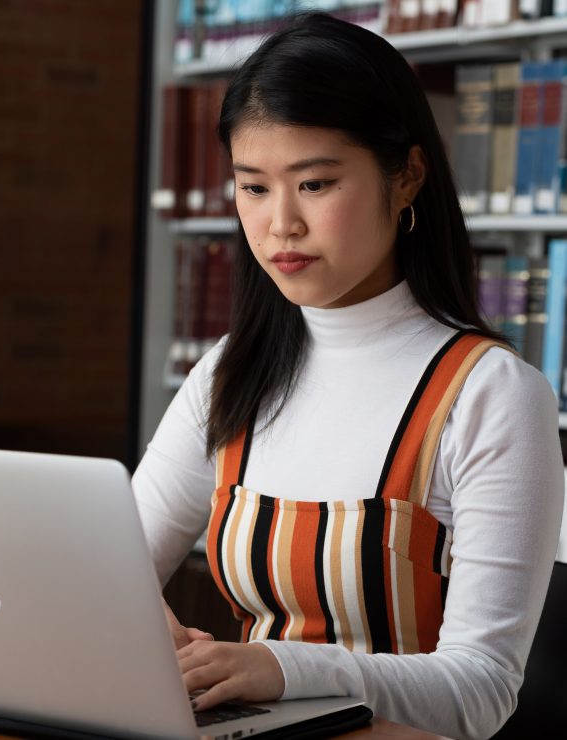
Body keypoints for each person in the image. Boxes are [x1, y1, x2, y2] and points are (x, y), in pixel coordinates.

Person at [132, 11, 564, 739]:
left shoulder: (491, 394)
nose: (279, 227)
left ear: (407, 178)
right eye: (254, 188)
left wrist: (287, 667)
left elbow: (483, 691)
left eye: (316, 184)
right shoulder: (230, 373)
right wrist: (145, 637)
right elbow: (112, 565)